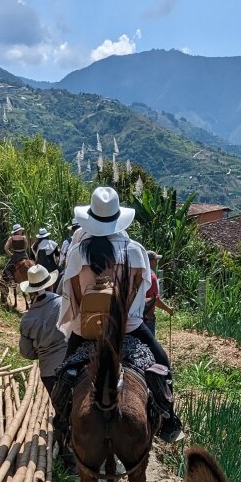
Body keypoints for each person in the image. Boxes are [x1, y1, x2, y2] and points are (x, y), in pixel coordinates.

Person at [59, 186, 183, 442]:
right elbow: (139, 293)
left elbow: (74, 297)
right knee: (163, 363)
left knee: (65, 371)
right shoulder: (135, 251)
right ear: (117, 218)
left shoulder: (77, 252)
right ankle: (168, 420)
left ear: (90, 217)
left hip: (87, 330)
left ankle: (61, 420)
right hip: (128, 328)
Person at [17, 264, 64, 400]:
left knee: (60, 409)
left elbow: (26, 352)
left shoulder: (27, 319)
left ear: (31, 291)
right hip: (71, 364)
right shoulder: (64, 303)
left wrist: (44, 351)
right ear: (51, 285)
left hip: (48, 373)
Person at [143, 250, 174, 332]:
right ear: (150, 261)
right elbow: (155, 300)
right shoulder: (151, 277)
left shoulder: (139, 274)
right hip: (148, 317)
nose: (157, 263)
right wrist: (168, 309)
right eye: (155, 260)